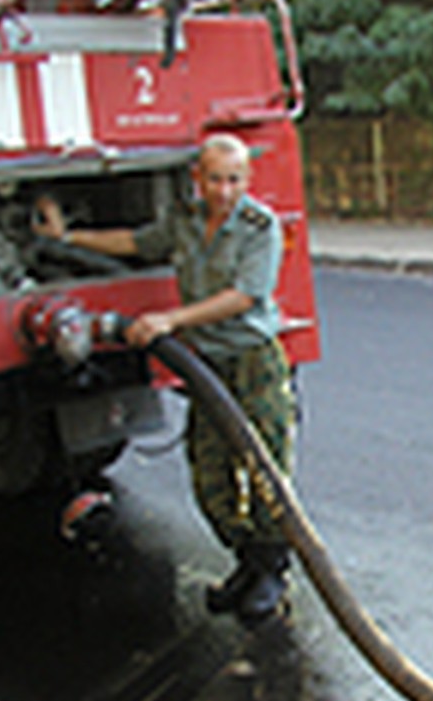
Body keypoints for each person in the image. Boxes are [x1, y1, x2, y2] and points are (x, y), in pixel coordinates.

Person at [33, 132, 295, 627]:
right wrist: (66, 238)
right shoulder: (186, 221)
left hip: (253, 361)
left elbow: (244, 296)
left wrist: (171, 320)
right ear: (198, 178)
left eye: (234, 179)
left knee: (265, 468)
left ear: (247, 179)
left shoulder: (260, 227)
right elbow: (133, 241)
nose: (223, 190)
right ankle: (246, 562)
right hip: (209, 366)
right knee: (209, 476)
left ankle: (270, 574)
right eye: (215, 179)